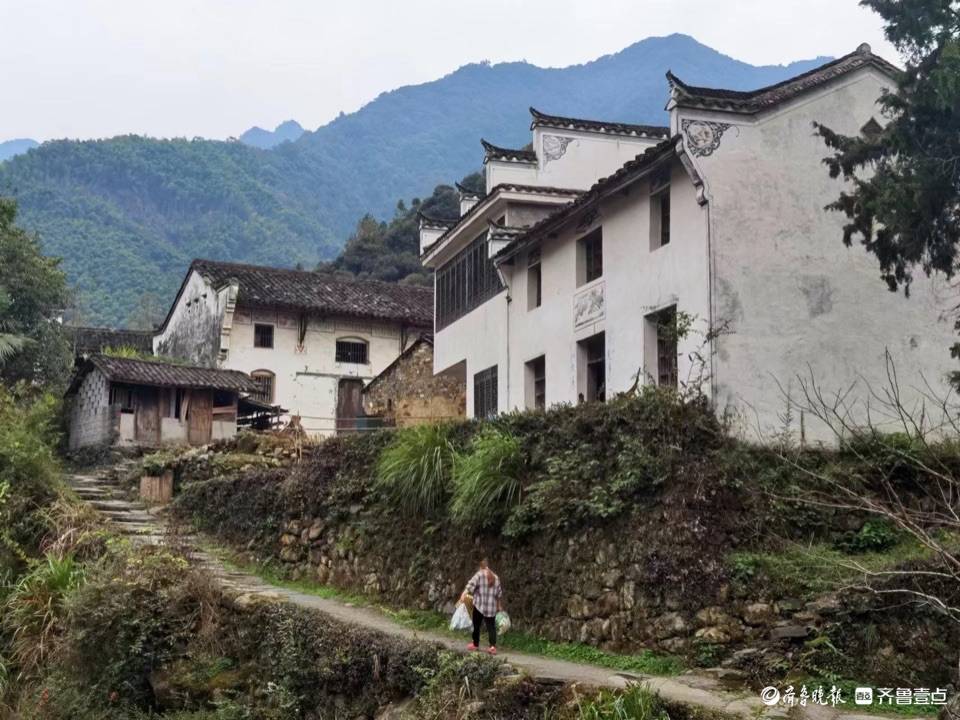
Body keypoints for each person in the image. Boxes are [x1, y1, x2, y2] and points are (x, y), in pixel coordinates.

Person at [460, 557, 502, 655]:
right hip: (491, 607)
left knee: (476, 625)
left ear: (481, 567)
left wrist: (463, 594)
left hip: (479, 605)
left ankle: (475, 644)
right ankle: (492, 647)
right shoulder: (496, 577)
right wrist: (499, 605)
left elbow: (470, 585)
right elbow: (499, 594)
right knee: (491, 627)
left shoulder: (479, 575)